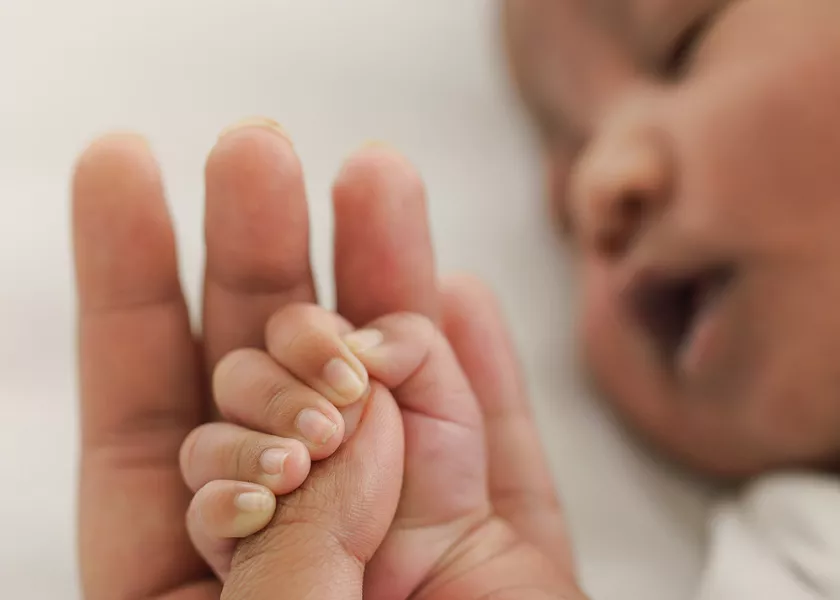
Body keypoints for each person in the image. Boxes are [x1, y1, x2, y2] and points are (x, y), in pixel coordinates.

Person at [74, 0, 840, 598]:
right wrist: (455, 571)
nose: (595, 184)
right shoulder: (795, 556)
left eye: (685, 45)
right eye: (561, 220)